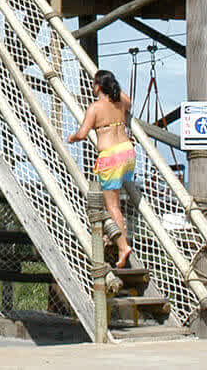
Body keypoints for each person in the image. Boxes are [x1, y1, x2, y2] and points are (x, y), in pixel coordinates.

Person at [67, 69, 136, 268]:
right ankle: (114, 237)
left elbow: (82, 133)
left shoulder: (95, 108)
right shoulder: (121, 102)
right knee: (117, 203)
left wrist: (72, 138)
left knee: (112, 206)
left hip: (111, 156)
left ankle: (123, 246)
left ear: (97, 86)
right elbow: (127, 99)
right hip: (127, 152)